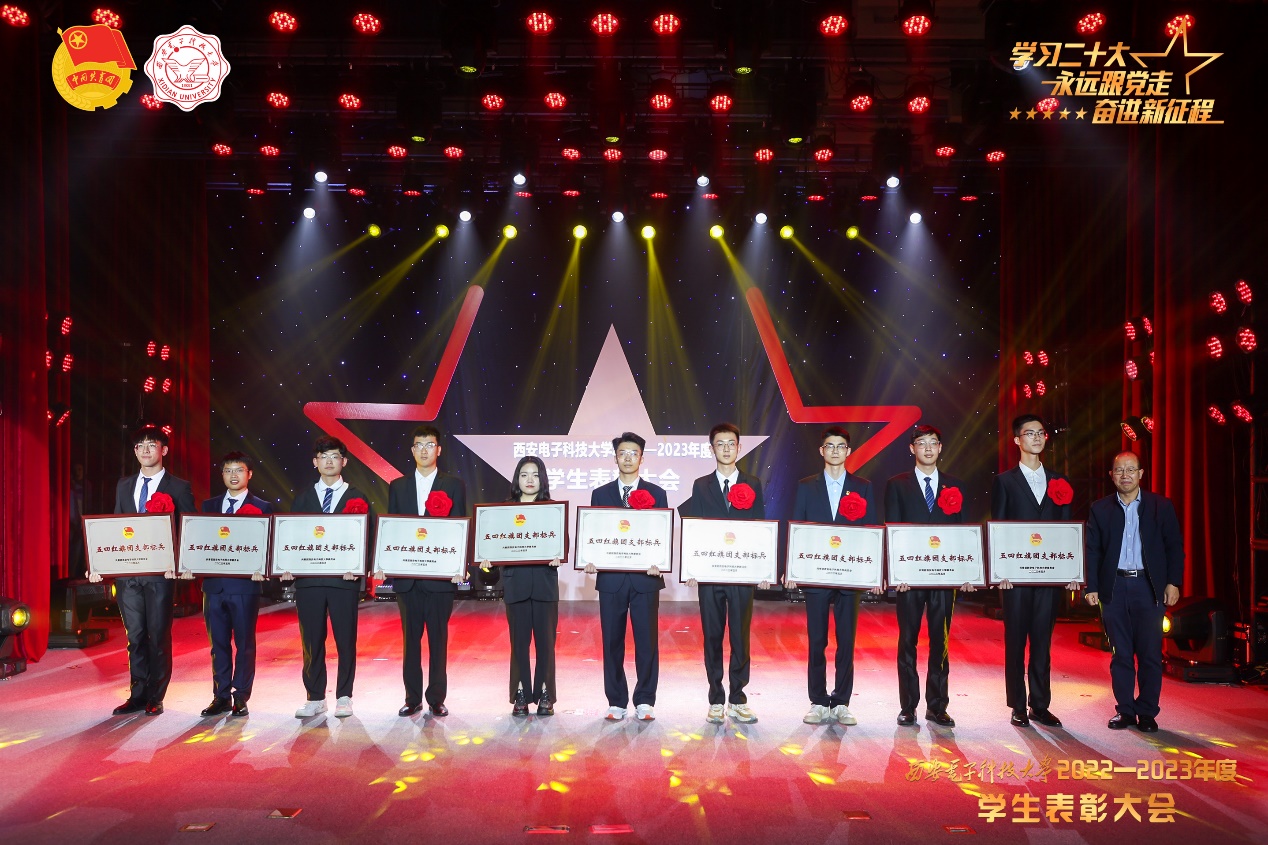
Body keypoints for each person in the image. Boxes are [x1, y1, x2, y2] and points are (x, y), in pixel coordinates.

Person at [1084, 451, 1184, 733]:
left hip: (1148, 587)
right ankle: (1125, 710)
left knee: (1150, 653)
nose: (1125, 475)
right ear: (1111, 475)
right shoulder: (1100, 509)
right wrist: (1092, 586)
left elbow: (1174, 546)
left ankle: (1148, 712)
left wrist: (1173, 582)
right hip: (1114, 588)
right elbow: (1092, 550)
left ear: (1141, 474)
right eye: (1119, 470)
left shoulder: (1160, 506)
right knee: (1121, 654)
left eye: (1131, 470)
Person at [786, 426, 878, 727]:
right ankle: (817, 700)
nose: (835, 451)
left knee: (846, 641)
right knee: (817, 640)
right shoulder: (806, 486)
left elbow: (870, 531)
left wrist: (873, 572)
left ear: (848, 451)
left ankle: (841, 702)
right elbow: (797, 527)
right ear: (821, 451)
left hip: (850, 575)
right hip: (817, 574)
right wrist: (792, 566)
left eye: (840, 446)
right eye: (830, 446)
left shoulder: (863, 487)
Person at [884, 424, 975, 728]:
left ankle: (937, 706)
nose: (927, 448)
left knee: (941, 641)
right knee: (907, 641)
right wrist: (895, 572)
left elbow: (964, 533)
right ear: (912, 448)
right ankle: (908, 706)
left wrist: (967, 572)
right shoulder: (897, 485)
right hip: (909, 578)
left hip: (944, 578)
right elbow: (892, 530)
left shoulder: (956, 486)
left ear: (940, 447)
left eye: (933, 442)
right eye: (921, 443)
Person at [991, 414, 1079, 729]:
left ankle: (1040, 705)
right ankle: (1017, 704)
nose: (1037, 438)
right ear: (1017, 440)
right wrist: (999, 571)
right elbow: (998, 527)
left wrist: (1072, 571)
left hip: (1049, 575)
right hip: (1015, 577)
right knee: (1015, 641)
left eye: (1041, 432)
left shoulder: (1060, 481)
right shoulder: (1004, 481)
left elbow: (1068, 530)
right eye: (1030, 433)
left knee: (1042, 641)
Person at [102, 425, 195, 717]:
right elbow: (117, 525)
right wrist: (103, 565)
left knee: (158, 635)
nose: (145, 450)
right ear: (134, 451)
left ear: (163, 450)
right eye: (140, 445)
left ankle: (156, 695)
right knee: (135, 636)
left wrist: (180, 565)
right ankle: (137, 694)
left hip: (160, 574)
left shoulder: (178, 487)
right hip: (128, 574)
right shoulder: (124, 485)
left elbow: (188, 528)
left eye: (151, 444)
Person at [680, 423, 769, 725]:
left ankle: (738, 698)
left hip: (742, 574)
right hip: (710, 575)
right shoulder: (701, 485)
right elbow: (695, 527)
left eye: (731, 443)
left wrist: (763, 568)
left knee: (740, 636)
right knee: (713, 635)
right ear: (712, 449)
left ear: (739, 447)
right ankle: (716, 698)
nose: (726, 448)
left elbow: (760, 528)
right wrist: (691, 567)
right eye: (720, 444)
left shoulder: (753, 483)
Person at [377, 425, 468, 718]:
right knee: (410, 641)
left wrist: (459, 566)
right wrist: (385, 563)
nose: (425, 450)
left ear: (438, 450)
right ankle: (412, 697)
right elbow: (392, 529)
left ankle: (436, 698)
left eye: (430, 444)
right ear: (412, 450)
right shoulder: (398, 486)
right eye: (419, 445)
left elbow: (460, 527)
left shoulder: (453, 485)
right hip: (408, 580)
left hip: (440, 579)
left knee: (438, 641)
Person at [284, 436, 374, 719]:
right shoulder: (302, 498)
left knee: (345, 639)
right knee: (311, 640)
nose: (329, 461)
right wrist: (286, 565)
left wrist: (358, 568)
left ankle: (344, 696)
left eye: (335, 456)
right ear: (315, 462)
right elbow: (291, 537)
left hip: (343, 580)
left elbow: (367, 538)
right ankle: (315, 697)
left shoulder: (357, 497)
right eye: (323, 456)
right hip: (309, 581)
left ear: (344, 461)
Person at [585, 432, 669, 722]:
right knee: (611, 642)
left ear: (641, 458)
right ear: (615, 458)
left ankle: (645, 700)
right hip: (611, 579)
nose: (628, 458)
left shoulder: (657, 493)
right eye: (623, 453)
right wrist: (589, 558)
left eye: (634, 453)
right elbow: (593, 532)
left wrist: (661, 561)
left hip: (645, 579)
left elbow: (661, 533)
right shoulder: (600, 494)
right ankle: (616, 700)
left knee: (647, 642)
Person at [190, 452, 273, 719]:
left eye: (239, 470)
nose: (233, 475)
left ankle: (241, 696)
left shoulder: (263, 507)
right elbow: (198, 541)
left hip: (245, 587)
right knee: (218, 644)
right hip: (214, 587)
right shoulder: (209, 506)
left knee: (245, 644)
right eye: (228, 470)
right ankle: (221, 695)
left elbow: (269, 545)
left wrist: (265, 569)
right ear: (222, 475)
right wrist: (188, 564)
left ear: (249, 474)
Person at [481, 456, 561, 717]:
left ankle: (546, 694)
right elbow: (493, 546)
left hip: (545, 587)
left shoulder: (553, 510)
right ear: (517, 478)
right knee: (519, 645)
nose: (529, 480)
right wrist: (487, 561)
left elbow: (563, 544)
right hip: (516, 586)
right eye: (524, 474)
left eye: (535, 474)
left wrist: (559, 554)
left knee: (546, 645)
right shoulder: (504, 511)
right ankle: (520, 694)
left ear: (542, 479)